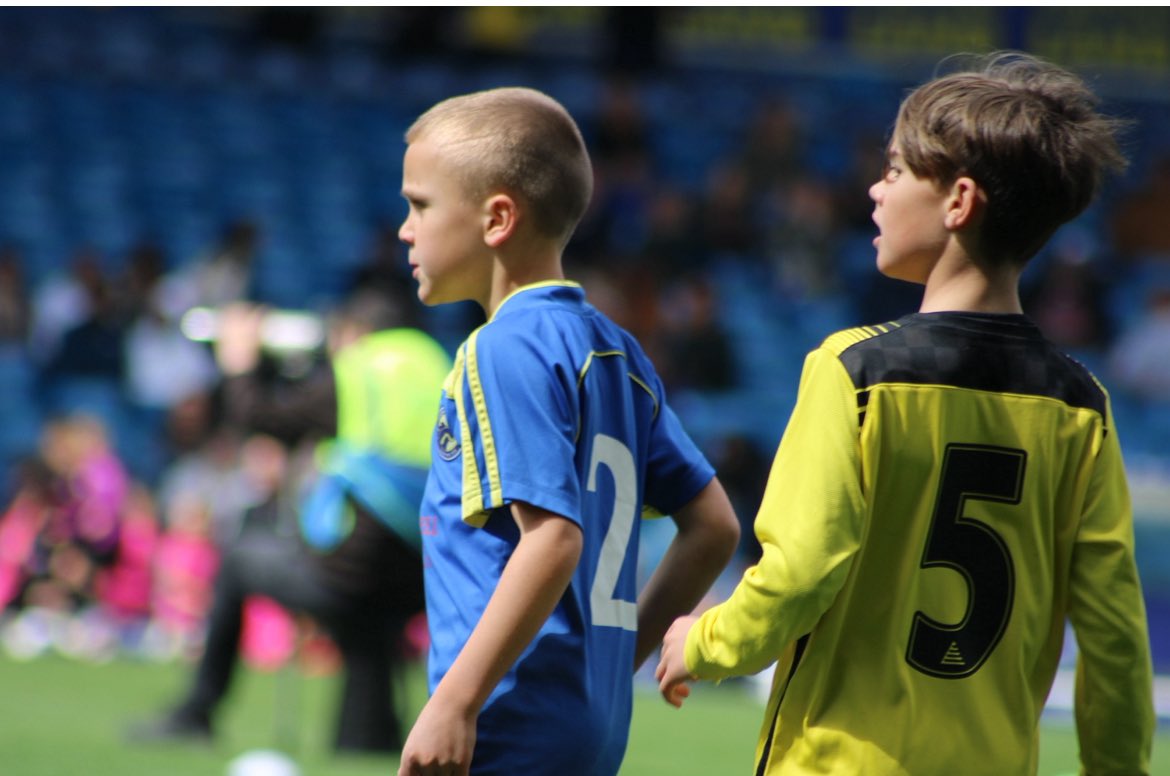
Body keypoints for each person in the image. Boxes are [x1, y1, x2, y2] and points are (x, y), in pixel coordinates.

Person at [657, 51, 1155, 775]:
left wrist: (704, 641)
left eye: (894, 171)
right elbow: (1113, 633)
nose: (874, 191)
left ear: (958, 202)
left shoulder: (852, 371)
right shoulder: (1083, 406)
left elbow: (799, 571)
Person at [396, 87, 741, 776]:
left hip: (510, 719)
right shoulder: (616, 353)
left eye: (419, 205)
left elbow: (553, 538)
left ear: (497, 218)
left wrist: (455, 703)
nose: (405, 228)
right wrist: (617, 662)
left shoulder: (502, 349)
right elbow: (715, 527)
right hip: (586, 724)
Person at [129, 288, 452, 753]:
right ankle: (369, 739)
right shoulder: (437, 364)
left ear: (354, 332)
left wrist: (240, 363)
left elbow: (263, 418)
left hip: (351, 573)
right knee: (369, 627)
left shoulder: (360, 370)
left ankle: (199, 709)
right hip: (422, 573)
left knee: (240, 560)